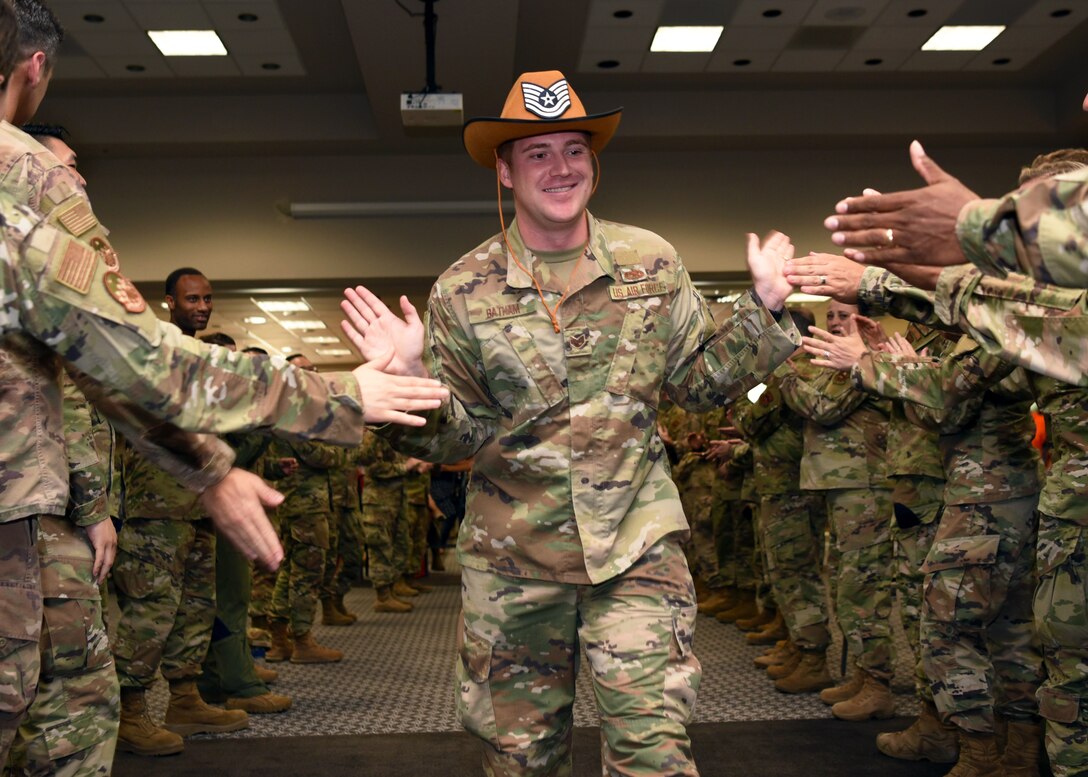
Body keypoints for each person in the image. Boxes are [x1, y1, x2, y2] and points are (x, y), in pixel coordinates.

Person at [340, 69, 798, 776]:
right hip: (515, 562)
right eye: (537, 152)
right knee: (522, 760)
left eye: (573, 149)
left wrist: (762, 310)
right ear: (504, 169)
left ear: (594, 161)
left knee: (654, 753)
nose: (561, 168)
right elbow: (460, 438)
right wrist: (409, 383)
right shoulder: (463, 290)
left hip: (635, 548)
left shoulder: (652, 262)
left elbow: (698, 384)